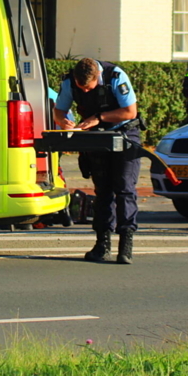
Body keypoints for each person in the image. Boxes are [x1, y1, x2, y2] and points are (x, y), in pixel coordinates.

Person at [53, 58, 141, 264]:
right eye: (80, 88)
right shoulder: (69, 82)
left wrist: (99, 117)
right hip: (96, 138)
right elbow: (58, 111)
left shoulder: (115, 77)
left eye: (88, 88)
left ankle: (125, 246)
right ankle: (102, 244)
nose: (84, 92)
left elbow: (130, 112)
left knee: (124, 188)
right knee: (102, 191)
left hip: (124, 135)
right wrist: (62, 121)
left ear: (98, 78)